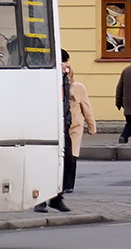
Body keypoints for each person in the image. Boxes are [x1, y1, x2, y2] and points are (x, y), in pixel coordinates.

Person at [35, 56, 72, 213]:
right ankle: (41, 200)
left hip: (63, 126)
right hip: (48, 125)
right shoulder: (47, 78)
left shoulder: (64, 79)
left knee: (67, 161)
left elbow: (65, 102)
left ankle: (57, 197)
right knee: (46, 163)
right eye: (64, 61)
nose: (67, 65)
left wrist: (67, 120)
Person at [65, 51, 96, 194]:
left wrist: (92, 127)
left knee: (72, 156)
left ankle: (69, 185)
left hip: (75, 126)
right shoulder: (55, 85)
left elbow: (86, 108)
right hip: (62, 126)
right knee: (63, 156)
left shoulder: (78, 87)